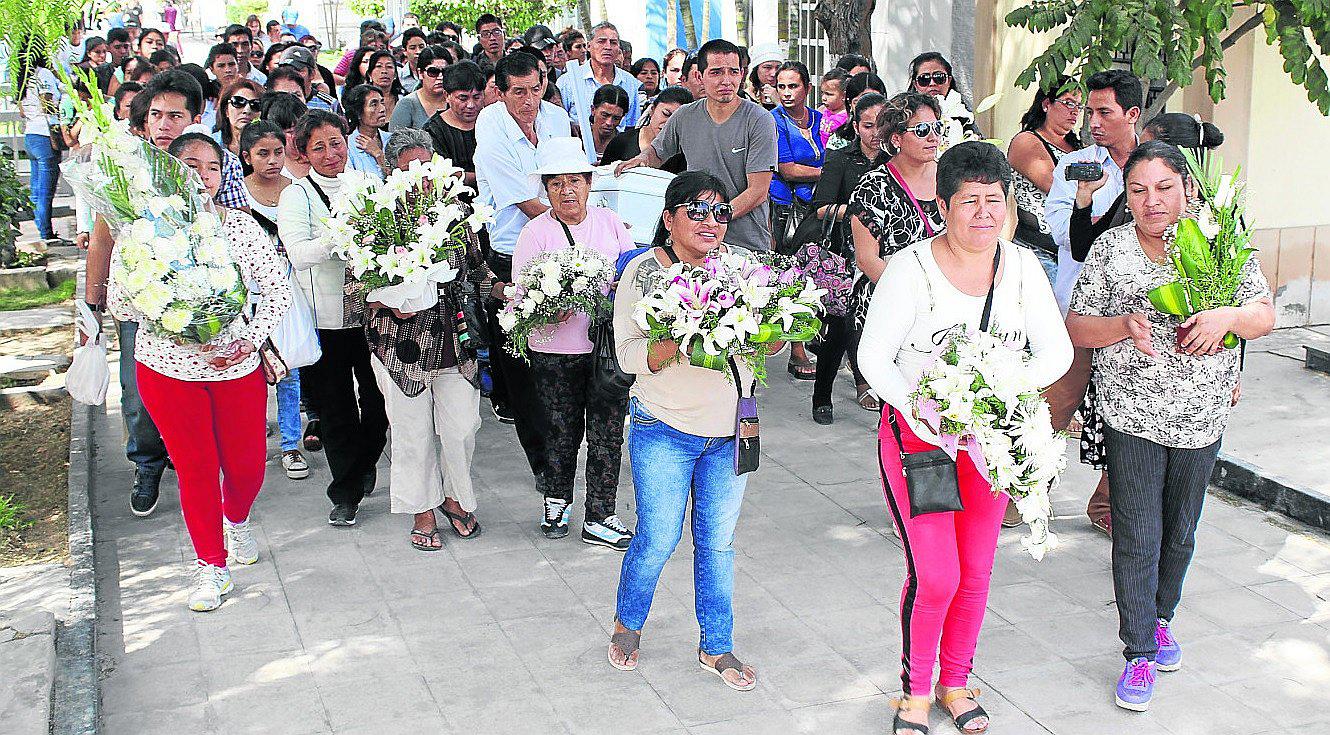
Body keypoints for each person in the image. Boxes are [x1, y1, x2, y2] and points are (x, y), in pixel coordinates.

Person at [858, 142, 1072, 735]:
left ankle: (956, 681)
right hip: (920, 443)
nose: (984, 213)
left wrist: (999, 392)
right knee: (937, 574)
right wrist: (921, 410)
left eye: (995, 200)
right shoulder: (910, 269)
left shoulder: (1023, 267)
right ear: (943, 206)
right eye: (969, 201)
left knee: (975, 570)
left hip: (991, 442)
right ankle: (915, 691)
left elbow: (1054, 351)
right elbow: (873, 356)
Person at [1065, 140, 1273, 712]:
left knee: (1181, 528)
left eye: (1163, 187)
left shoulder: (1219, 240)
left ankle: (1160, 619)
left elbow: (1264, 315)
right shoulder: (1111, 250)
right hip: (1132, 413)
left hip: (1202, 416)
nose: (1151, 201)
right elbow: (1078, 326)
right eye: (1137, 190)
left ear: (1186, 187)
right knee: (1137, 529)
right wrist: (1121, 325)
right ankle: (1137, 652)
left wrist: (1228, 317)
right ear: (1125, 197)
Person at [110, 132, 290, 612]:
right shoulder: (141, 231)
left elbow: (276, 291)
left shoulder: (238, 228)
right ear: (167, 171)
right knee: (196, 468)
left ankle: (237, 519)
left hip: (235, 365)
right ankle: (211, 565)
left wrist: (248, 339)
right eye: (191, 165)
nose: (202, 177)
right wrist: (158, 294)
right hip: (167, 368)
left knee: (248, 465)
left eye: (212, 167)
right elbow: (121, 306)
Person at [608, 171, 773, 691]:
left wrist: (772, 329)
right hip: (665, 429)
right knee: (659, 538)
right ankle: (627, 625)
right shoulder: (643, 273)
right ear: (669, 218)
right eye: (697, 211)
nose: (711, 222)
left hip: (731, 430)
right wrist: (682, 333)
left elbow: (763, 345)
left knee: (717, 544)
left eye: (720, 211)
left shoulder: (741, 269)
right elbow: (628, 354)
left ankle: (716, 646)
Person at [368, 129, 494, 550]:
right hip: (398, 347)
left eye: (426, 167)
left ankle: (455, 497)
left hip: (453, 343)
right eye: (407, 170)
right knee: (412, 433)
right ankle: (422, 510)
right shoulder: (373, 217)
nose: (419, 179)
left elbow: (476, 268)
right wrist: (389, 304)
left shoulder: (455, 210)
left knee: (462, 427)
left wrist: (511, 291)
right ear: (391, 173)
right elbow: (355, 291)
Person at [514, 138, 638, 549]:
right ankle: (556, 500)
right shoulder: (535, 232)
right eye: (556, 184)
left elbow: (632, 276)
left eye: (575, 181)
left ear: (589, 183)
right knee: (560, 430)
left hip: (605, 351)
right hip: (554, 351)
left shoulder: (610, 222)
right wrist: (548, 310)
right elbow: (520, 294)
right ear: (546, 190)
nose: (567, 190)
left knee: (607, 433)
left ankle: (600, 515)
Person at [278, 110, 389, 527]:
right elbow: (299, 252)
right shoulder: (297, 195)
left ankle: (365, 460)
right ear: (304, 154)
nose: (330, 154)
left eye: (336, 143)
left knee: (379, 400)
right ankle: (345, 492)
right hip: (325, 318)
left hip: (374, 312)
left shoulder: (367, 185)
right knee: (337, 408)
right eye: (318, 147)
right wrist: (339, 235)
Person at [1043, 70, 1142, 536]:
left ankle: (1107, 508)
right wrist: (1097, 208)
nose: (1094, 122)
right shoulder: (1076, 166)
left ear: (1133, 115)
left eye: (1105, 112)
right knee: (1053, 405)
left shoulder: (1154, 169)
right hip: (1080, 310)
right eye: (1091, 111)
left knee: (1128, 417)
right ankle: (1020, 495)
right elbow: (1065, 234)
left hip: (1140, 317)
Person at [474, 51, 572, 489]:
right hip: (513, 253)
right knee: (521, 366)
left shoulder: (555, 115)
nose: (529, 101)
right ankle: (543, 463)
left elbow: (575, 176)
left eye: (535, 89)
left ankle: (565, 447)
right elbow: (527, 202)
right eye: (518, 92)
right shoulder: (490, 124)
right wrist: (574, 225)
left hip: (563, 245)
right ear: (500, 90)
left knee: (562, 355)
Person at [615, 39, 777, 253]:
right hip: (693, 242)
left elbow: (758, 191)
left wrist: (716, 216)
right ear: (700, 76)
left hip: (745, 244)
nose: (726, 80)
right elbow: (657, 152)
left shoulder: (759, 119)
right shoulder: (685, 115)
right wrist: (641, 159)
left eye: (733, 72)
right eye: (716, 72)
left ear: (742, 74)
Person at [848, 92, 946, 411]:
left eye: (937, 127)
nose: (933, 136)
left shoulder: (950, 178)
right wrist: (915, 301)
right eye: (921, 130)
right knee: (905, 403)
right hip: (890, 302)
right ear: (896, 138)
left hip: (947, 303)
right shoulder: (872, 186)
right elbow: (867, 259)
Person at [807, 92, 887, 424]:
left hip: (885, 253)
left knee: (882, 327)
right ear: (855, 125)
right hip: (844, 256)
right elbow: (821, 207)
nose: (875, 133)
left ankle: (881, 391)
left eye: (881, 125)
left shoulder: (895, 161)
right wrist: (860, 213)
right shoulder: (841, 159)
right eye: (868, 125)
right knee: (839, 327)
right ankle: (822, 394)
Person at [238, 121, 308, 481]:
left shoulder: (296, 190)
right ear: (247, 156)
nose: (272, 160)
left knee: (288, 369)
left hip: (289, 289)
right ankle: (250, 444)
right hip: (246, 293)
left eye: (278, 152)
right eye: (263, 154)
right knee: (250, 371)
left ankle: (291, 444)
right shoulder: (238, 192)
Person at [1007, 77, 1082, 283]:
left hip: (1072, 254)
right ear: (1047, 104)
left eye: (1078, 106)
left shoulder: (1078, 147)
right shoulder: (1027, 141)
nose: (1074, 111)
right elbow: (1054, 185)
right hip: (1037, 251)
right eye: (1068, 102)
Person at [770, 60, 824, 255]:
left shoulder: (819, 118)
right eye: (781, 86)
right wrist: (826, 174)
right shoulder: (773, 120)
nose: (786, 92)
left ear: (808, 88)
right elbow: (788, 170)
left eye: (793, 86)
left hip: (817, 203)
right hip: (785, 207)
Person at [557, 22, 643, 138]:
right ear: (588, 46)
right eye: (601, 41)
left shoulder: (630, 82)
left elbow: (631, 126)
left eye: (613, 42)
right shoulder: (568, 81)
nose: (607, 47)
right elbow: (559, 122)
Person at [16, 46, 63, 245]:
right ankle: (46, 233)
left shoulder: (23, 77)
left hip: (30, 134)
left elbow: (22, 111)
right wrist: (55, 137)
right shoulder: (42, 74)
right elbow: (48, 105)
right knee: (46, 189)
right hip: (44, 135)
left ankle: (42, 228)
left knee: (37, 188)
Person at [600, 86, 692, 174]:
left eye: (677, 120)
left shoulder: (686, 154)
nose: (668, 123)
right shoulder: (621, 143)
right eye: (666, 114)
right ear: (652, 110)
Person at [422, 61, 485, 190]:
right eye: (463, 98)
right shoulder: (433, 131)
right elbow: (442, 174)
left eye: (476, 97)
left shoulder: (491, 123)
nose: (471, 105)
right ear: (447, 95)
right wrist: (487, 177)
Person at [908, 51, 981, 140]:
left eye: (939, 77)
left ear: (949, 81)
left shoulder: (961, 112)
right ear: (915, 84)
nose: (932, 83)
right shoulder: (905, 114)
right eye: (924, 79)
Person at [389, 44, 450, 130]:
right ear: (420, 73)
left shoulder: (456, 101)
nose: (440, 77)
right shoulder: (407, 104)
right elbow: (396, 141)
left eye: (445, 72)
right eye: (433, 72)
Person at [825, 71, 887, 151]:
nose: (870, 108)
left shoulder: (895, 137)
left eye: (876, 101)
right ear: (849, 103)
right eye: (859, 101)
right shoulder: (839, 140)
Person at [343, 84, 390, 179]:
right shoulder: (348, 146)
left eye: (382, 103)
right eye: (374, 104)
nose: (382, 109)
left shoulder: (392, 139)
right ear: (358, 113)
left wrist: (379, 155)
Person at [277, 46, 339, 113]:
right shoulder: (273, 100)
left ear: (312, 74)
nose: (292, 74)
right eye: (286, 69)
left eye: (298, 70)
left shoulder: (330, 104)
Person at [213, 79, 263, 156]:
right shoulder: (211, 143)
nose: (247, 110)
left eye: (255, 104)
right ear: (226, 110)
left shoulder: (270, 144)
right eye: (238, 102)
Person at [584, 84, 629, 164]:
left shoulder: (625, 146)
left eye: (616, 118)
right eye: (604, 115)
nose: (609, 122)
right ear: (593, 110)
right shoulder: (578, 140)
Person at [817, 68, 849, 148]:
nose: (824, 98)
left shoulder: (846, 119)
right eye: (822, 93)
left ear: (844, 96)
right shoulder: (824, 111)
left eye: (829, 94)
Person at [746, 43, 784, 108]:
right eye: (767, 67)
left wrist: (778, 102)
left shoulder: (788, 94)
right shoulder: (744, 97)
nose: (773, 73)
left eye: (778, 68)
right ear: (756, 69)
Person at [398, 27, 427, 93]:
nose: (418, 51)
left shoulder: (437, 73)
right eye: (413, 48)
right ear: (404, 51)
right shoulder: (399, 77)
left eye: (421, 47)